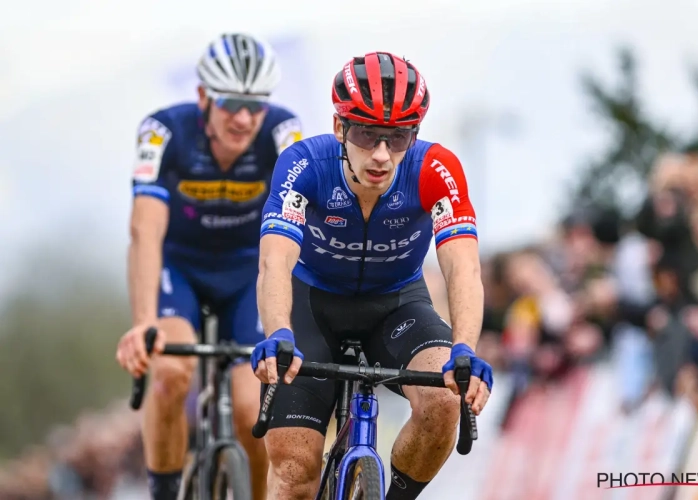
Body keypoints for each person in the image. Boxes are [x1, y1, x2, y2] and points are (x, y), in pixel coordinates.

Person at [251, 52, 493, 500]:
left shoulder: (435, 169)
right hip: (312, 307)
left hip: (395, 304)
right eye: (366, 133)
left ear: (414, 134)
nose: (382, 154)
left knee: (443, 400)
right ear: (340, 128)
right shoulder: (304, 164)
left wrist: (466, 348)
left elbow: (463, 265)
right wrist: (278, 330)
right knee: (294, 469)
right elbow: (275, 261)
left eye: (398, 137)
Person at [115, 33, 302, 500]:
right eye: (230, 104)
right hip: (179, 269)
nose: (243, 118)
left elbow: (301, 228)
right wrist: (142, 325)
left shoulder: (285, 134)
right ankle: (164, 491)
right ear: (203, 97)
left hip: (246, 274)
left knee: (249, 408)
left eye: (255, 106)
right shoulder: (162, 132)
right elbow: (145, 232)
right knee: (171, 373)